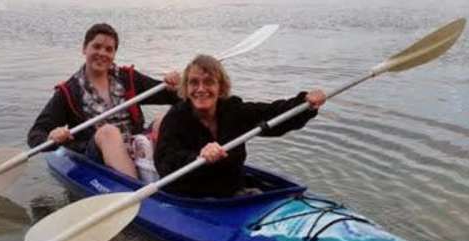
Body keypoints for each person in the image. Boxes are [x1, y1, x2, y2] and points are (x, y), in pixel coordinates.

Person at [154, 54, 326, 198]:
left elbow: (273, 114)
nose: (200, 89)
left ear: (221, 88)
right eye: (194, 82)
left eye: (209, 82)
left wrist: (305, 104)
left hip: (232, 192)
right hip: (189, 197)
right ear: (186, 88)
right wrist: (198, 157)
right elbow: (164, 164)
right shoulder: (176, 118)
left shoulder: (233, 110)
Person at [27, 23, 180, 179]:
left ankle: (175, 179)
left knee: (165, 119)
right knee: (109, 132)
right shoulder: (68, 91)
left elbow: (173, 97)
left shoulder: (128, 78)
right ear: (84, 49)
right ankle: (134, 186)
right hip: (96, 154)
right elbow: (35, 134)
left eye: (108, 49)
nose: (102, 53)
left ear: (114, 54)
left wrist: (174, 85)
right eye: (97, 46)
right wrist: (51, 137)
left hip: (135, 144)